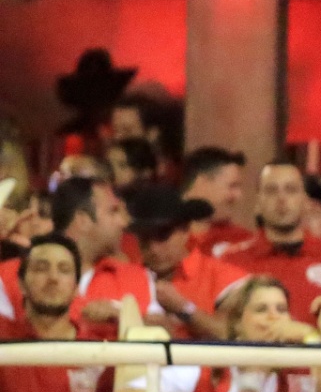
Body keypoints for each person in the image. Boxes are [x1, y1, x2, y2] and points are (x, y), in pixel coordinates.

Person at [109, 275, 316, 392]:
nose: (274, 318)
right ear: (237, 325)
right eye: (261, 310)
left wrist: (311, 336)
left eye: (281, 310)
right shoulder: (206, 370)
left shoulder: (302, 380)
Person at [0, 234, 110, 392]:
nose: (53, 278)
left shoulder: (103, 349)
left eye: (64, 270)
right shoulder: (3, 333)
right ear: (21, 284)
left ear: (76, 288)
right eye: (41, 268)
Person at [125, 184, 249, 341]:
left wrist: (184, 309)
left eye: (163, 235)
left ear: (185, 230)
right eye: (145, 239)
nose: (154, 249)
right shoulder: (125, 277)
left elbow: (241, 337)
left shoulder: (224, 278)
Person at [225, 163, 321, 321]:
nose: (281, 199)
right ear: (257, 204)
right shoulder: (231, 260)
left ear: (306, 201)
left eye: (291, 190)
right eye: (271, 191)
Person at [48, 174, 144, 338]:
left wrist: (123, 315)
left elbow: (164, 331)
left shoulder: (137, 278)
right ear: (83, 220)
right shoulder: (11, 277)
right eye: (112, 211)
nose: (123, 222)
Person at [178, 146, 254, 258]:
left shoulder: (243, 241)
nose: (239, 196)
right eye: (232, 186)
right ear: (201, 184)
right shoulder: (159, 239)